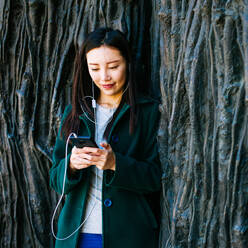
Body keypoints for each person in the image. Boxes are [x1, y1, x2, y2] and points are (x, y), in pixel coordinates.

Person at [49, 27, 161, 248]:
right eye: (95, 68)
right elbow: (55, 179)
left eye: (113, 67)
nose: (104, 77)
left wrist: (115, 164)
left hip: (129, 235)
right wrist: (70, 165)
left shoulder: (148, 112)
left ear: (127, 63)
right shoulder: (75, 112)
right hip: (77, 235)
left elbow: (155, 178)